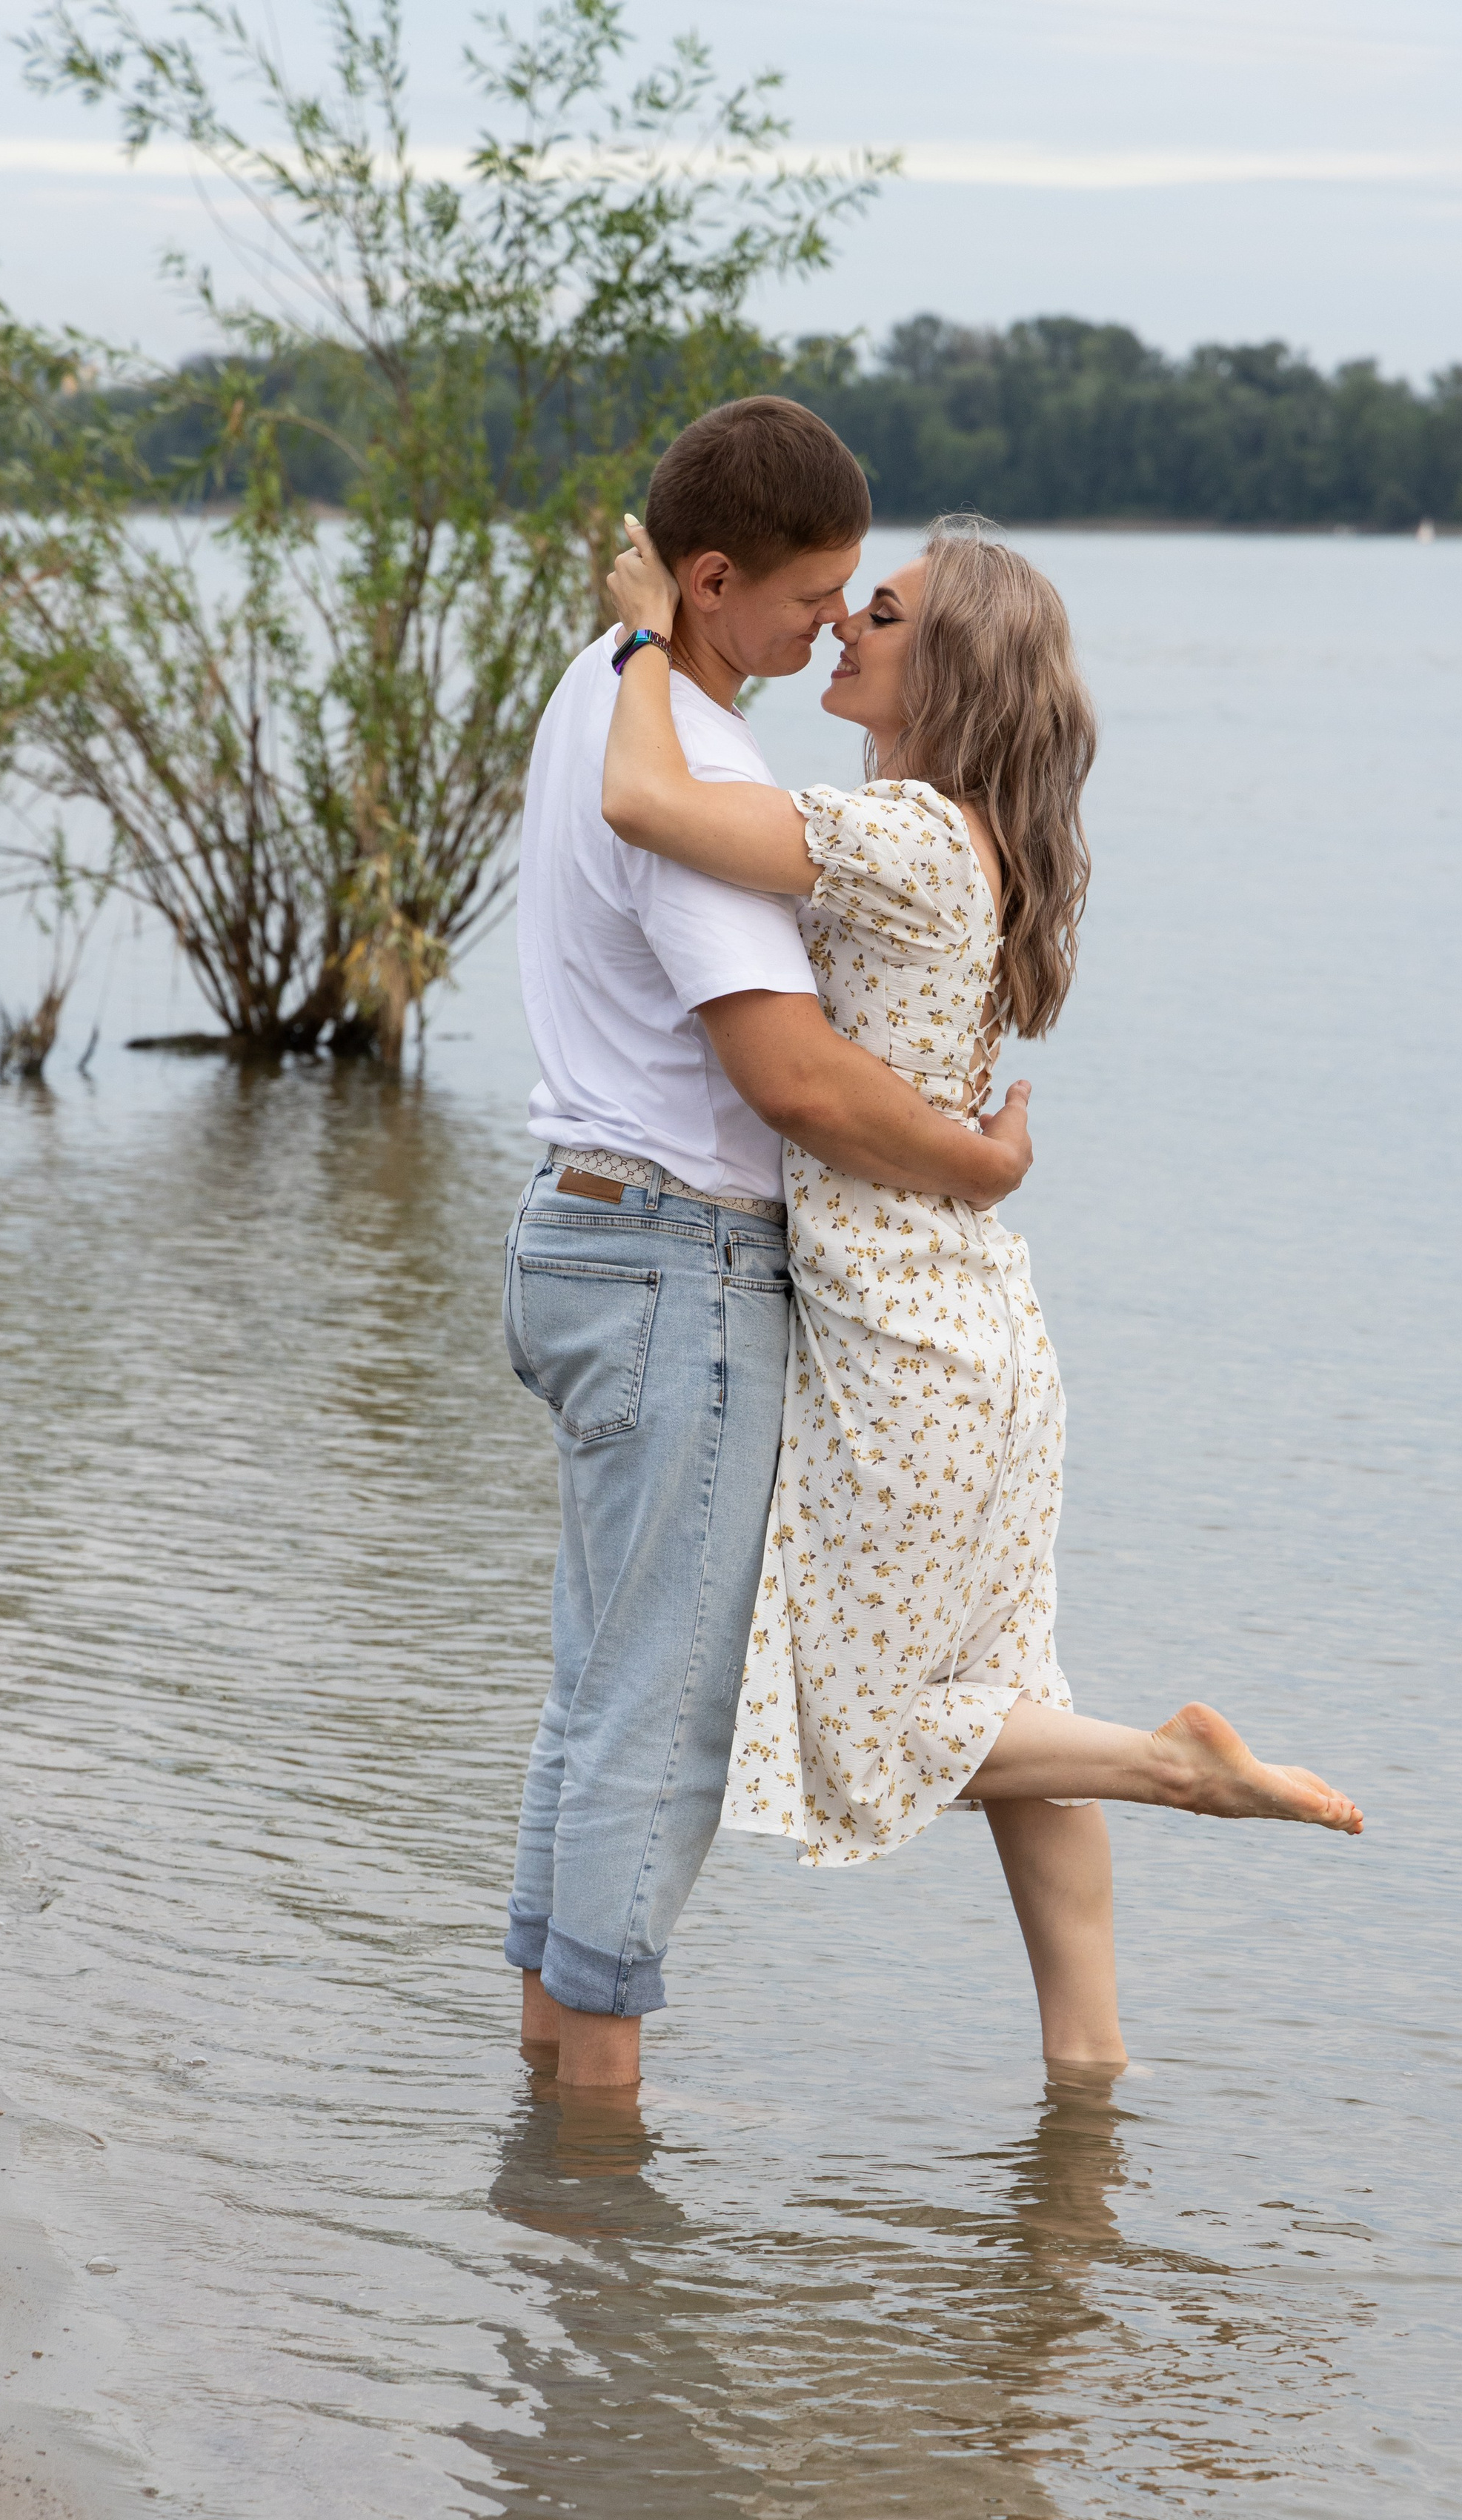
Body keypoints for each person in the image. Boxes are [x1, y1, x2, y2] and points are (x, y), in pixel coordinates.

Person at [599, 511, 1364, 2073]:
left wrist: (637, 641)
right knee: (1014, 1700)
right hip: (990, 1338)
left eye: (875, 614)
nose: (839, 630)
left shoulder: (898, 839)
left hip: (898, 1351)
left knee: (870, 1728)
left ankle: (1174, 1766)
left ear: (944, 670)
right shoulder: (986, 853)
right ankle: (1087, 2079)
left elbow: (641, 800)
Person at [503, 402, 1037, 2090]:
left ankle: (547, 2080)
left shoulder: (601, 685)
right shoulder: (704, 771)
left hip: (586, 1235)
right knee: (656, 1724)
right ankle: (595, 2133)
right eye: (813, 597)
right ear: (715, 580)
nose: (833, 624)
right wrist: (970, 1166)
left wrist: (638, 613)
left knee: (598, 1694)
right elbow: (792, 1076)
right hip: (676, 1260)